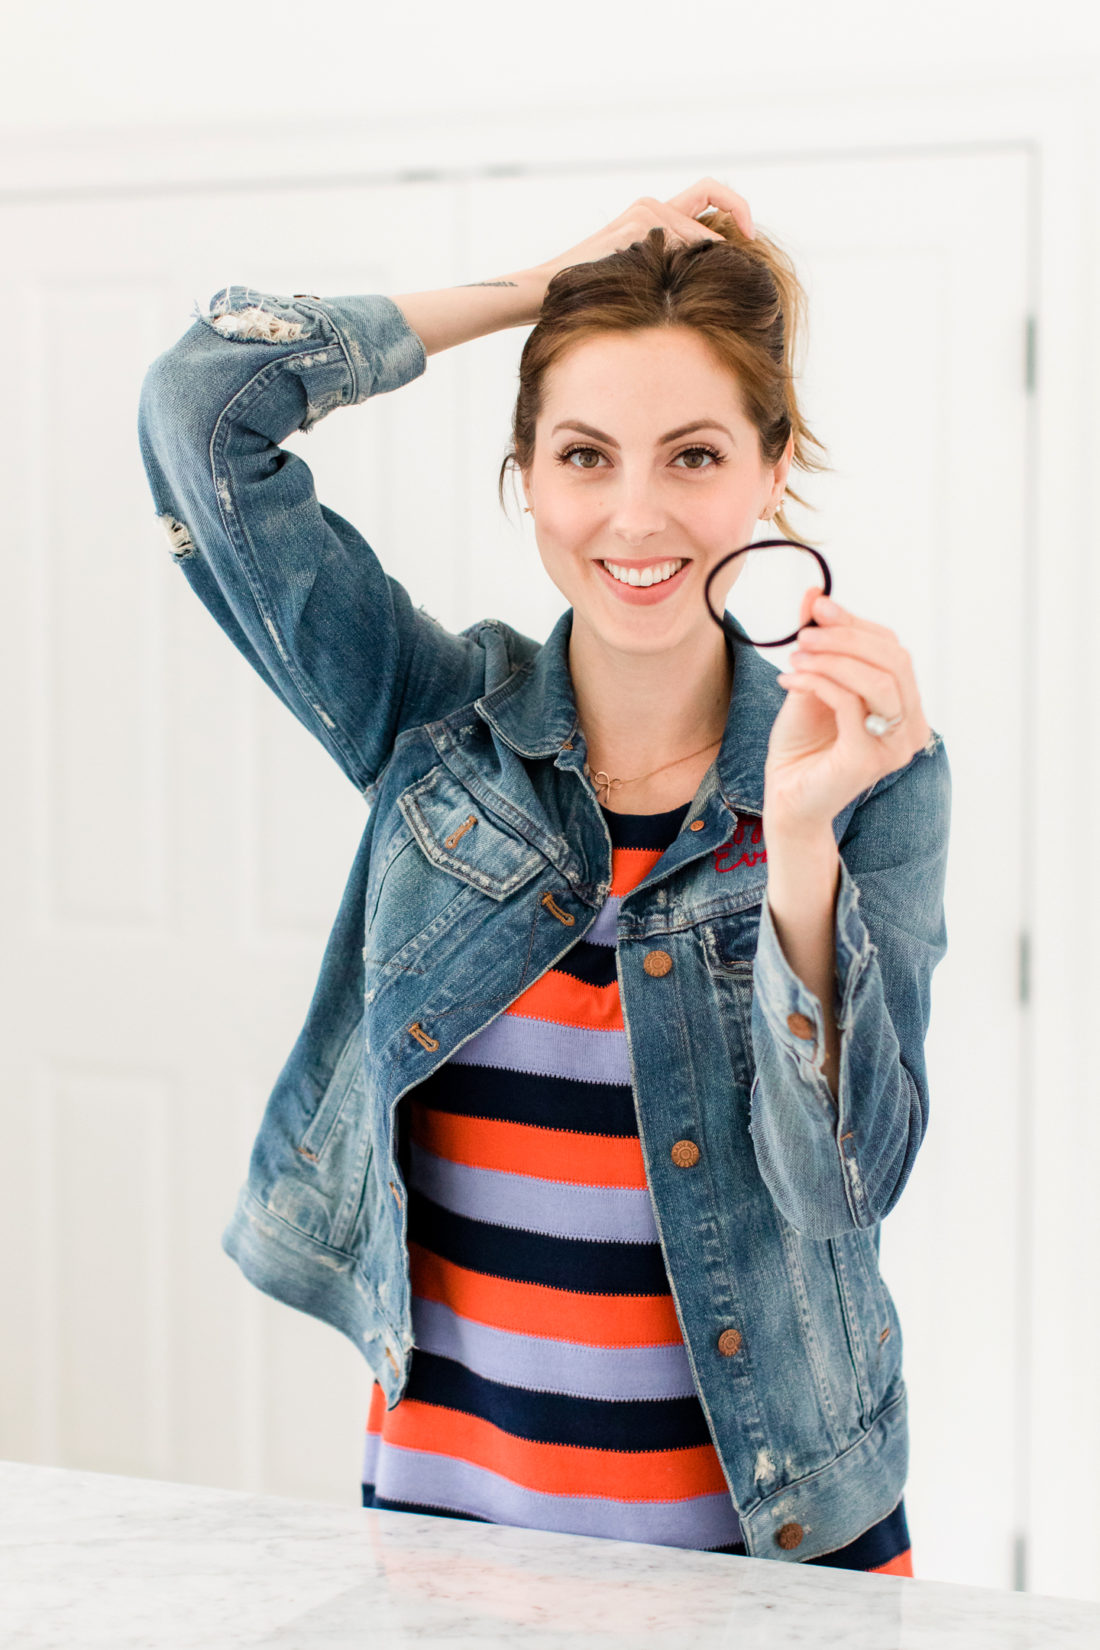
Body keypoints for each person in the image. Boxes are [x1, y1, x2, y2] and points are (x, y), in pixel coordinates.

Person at [137, 178, 950, 1576]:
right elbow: (197, 410)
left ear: (771, 471)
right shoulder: (430, 720)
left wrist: (804, 845)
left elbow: (847, 1183)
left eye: (693, 456)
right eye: (585, 454)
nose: (635, 514)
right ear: (527, 478)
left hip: (774, 1556)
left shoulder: (876, 772)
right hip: (454, 1538)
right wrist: (543, 284)